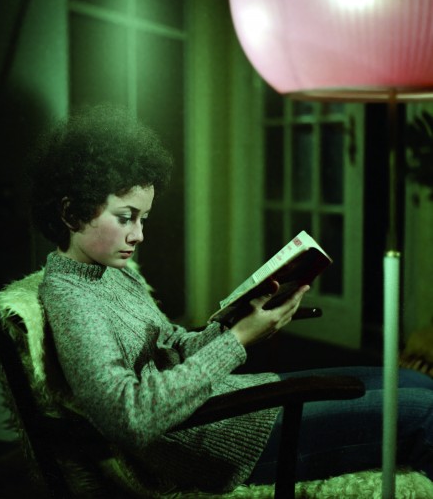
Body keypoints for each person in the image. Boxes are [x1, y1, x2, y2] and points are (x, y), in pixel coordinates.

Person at [30, 104, 433, 493]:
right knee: (426, 413)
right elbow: (130, 417)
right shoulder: (72, 300)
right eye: (125, 217)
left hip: (232, 404)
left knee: (416, 382)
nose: (138, 235)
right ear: (71, 213)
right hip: (223, 444)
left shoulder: (111, 271)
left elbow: (173, 348)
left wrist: (236, 321)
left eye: (143, 219)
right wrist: (238, 341)